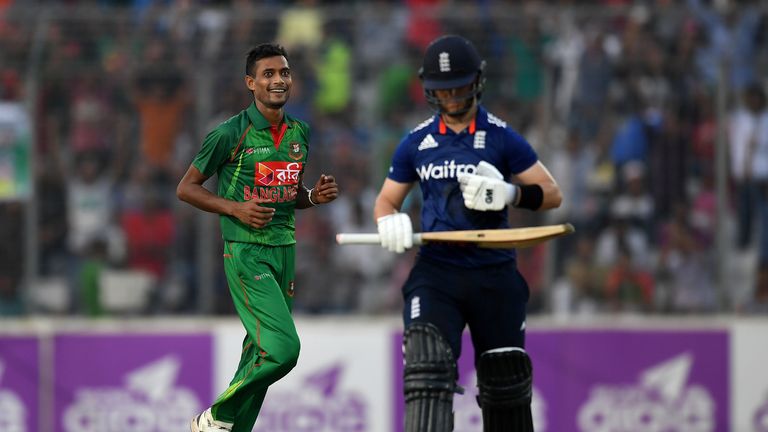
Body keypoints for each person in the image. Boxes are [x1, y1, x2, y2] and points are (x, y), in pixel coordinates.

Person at [373, 35, 562, 432]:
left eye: (459, 88)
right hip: (437, 272)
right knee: (426, 368)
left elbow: (551, 194)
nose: (452, 98)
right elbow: (386, 201)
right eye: (443, 91)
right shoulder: (416, 142)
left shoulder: (501, 136)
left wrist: (511, 193)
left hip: (494, 272)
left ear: (477, 82)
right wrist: (389, 221)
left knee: (506, 382)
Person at [177, 43, 339, 432]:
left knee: (258, 355)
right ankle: (217, 414)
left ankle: (229, 428)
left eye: (284, 73)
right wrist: (235, 209)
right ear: (251, 83)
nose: (278, 80)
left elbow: (287, 193)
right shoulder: (230, 133)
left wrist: (312, 198)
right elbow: (186, 188)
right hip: (248, 253)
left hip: (285, 251)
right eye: (268, 74)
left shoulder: (300, 132)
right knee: (284, 350)